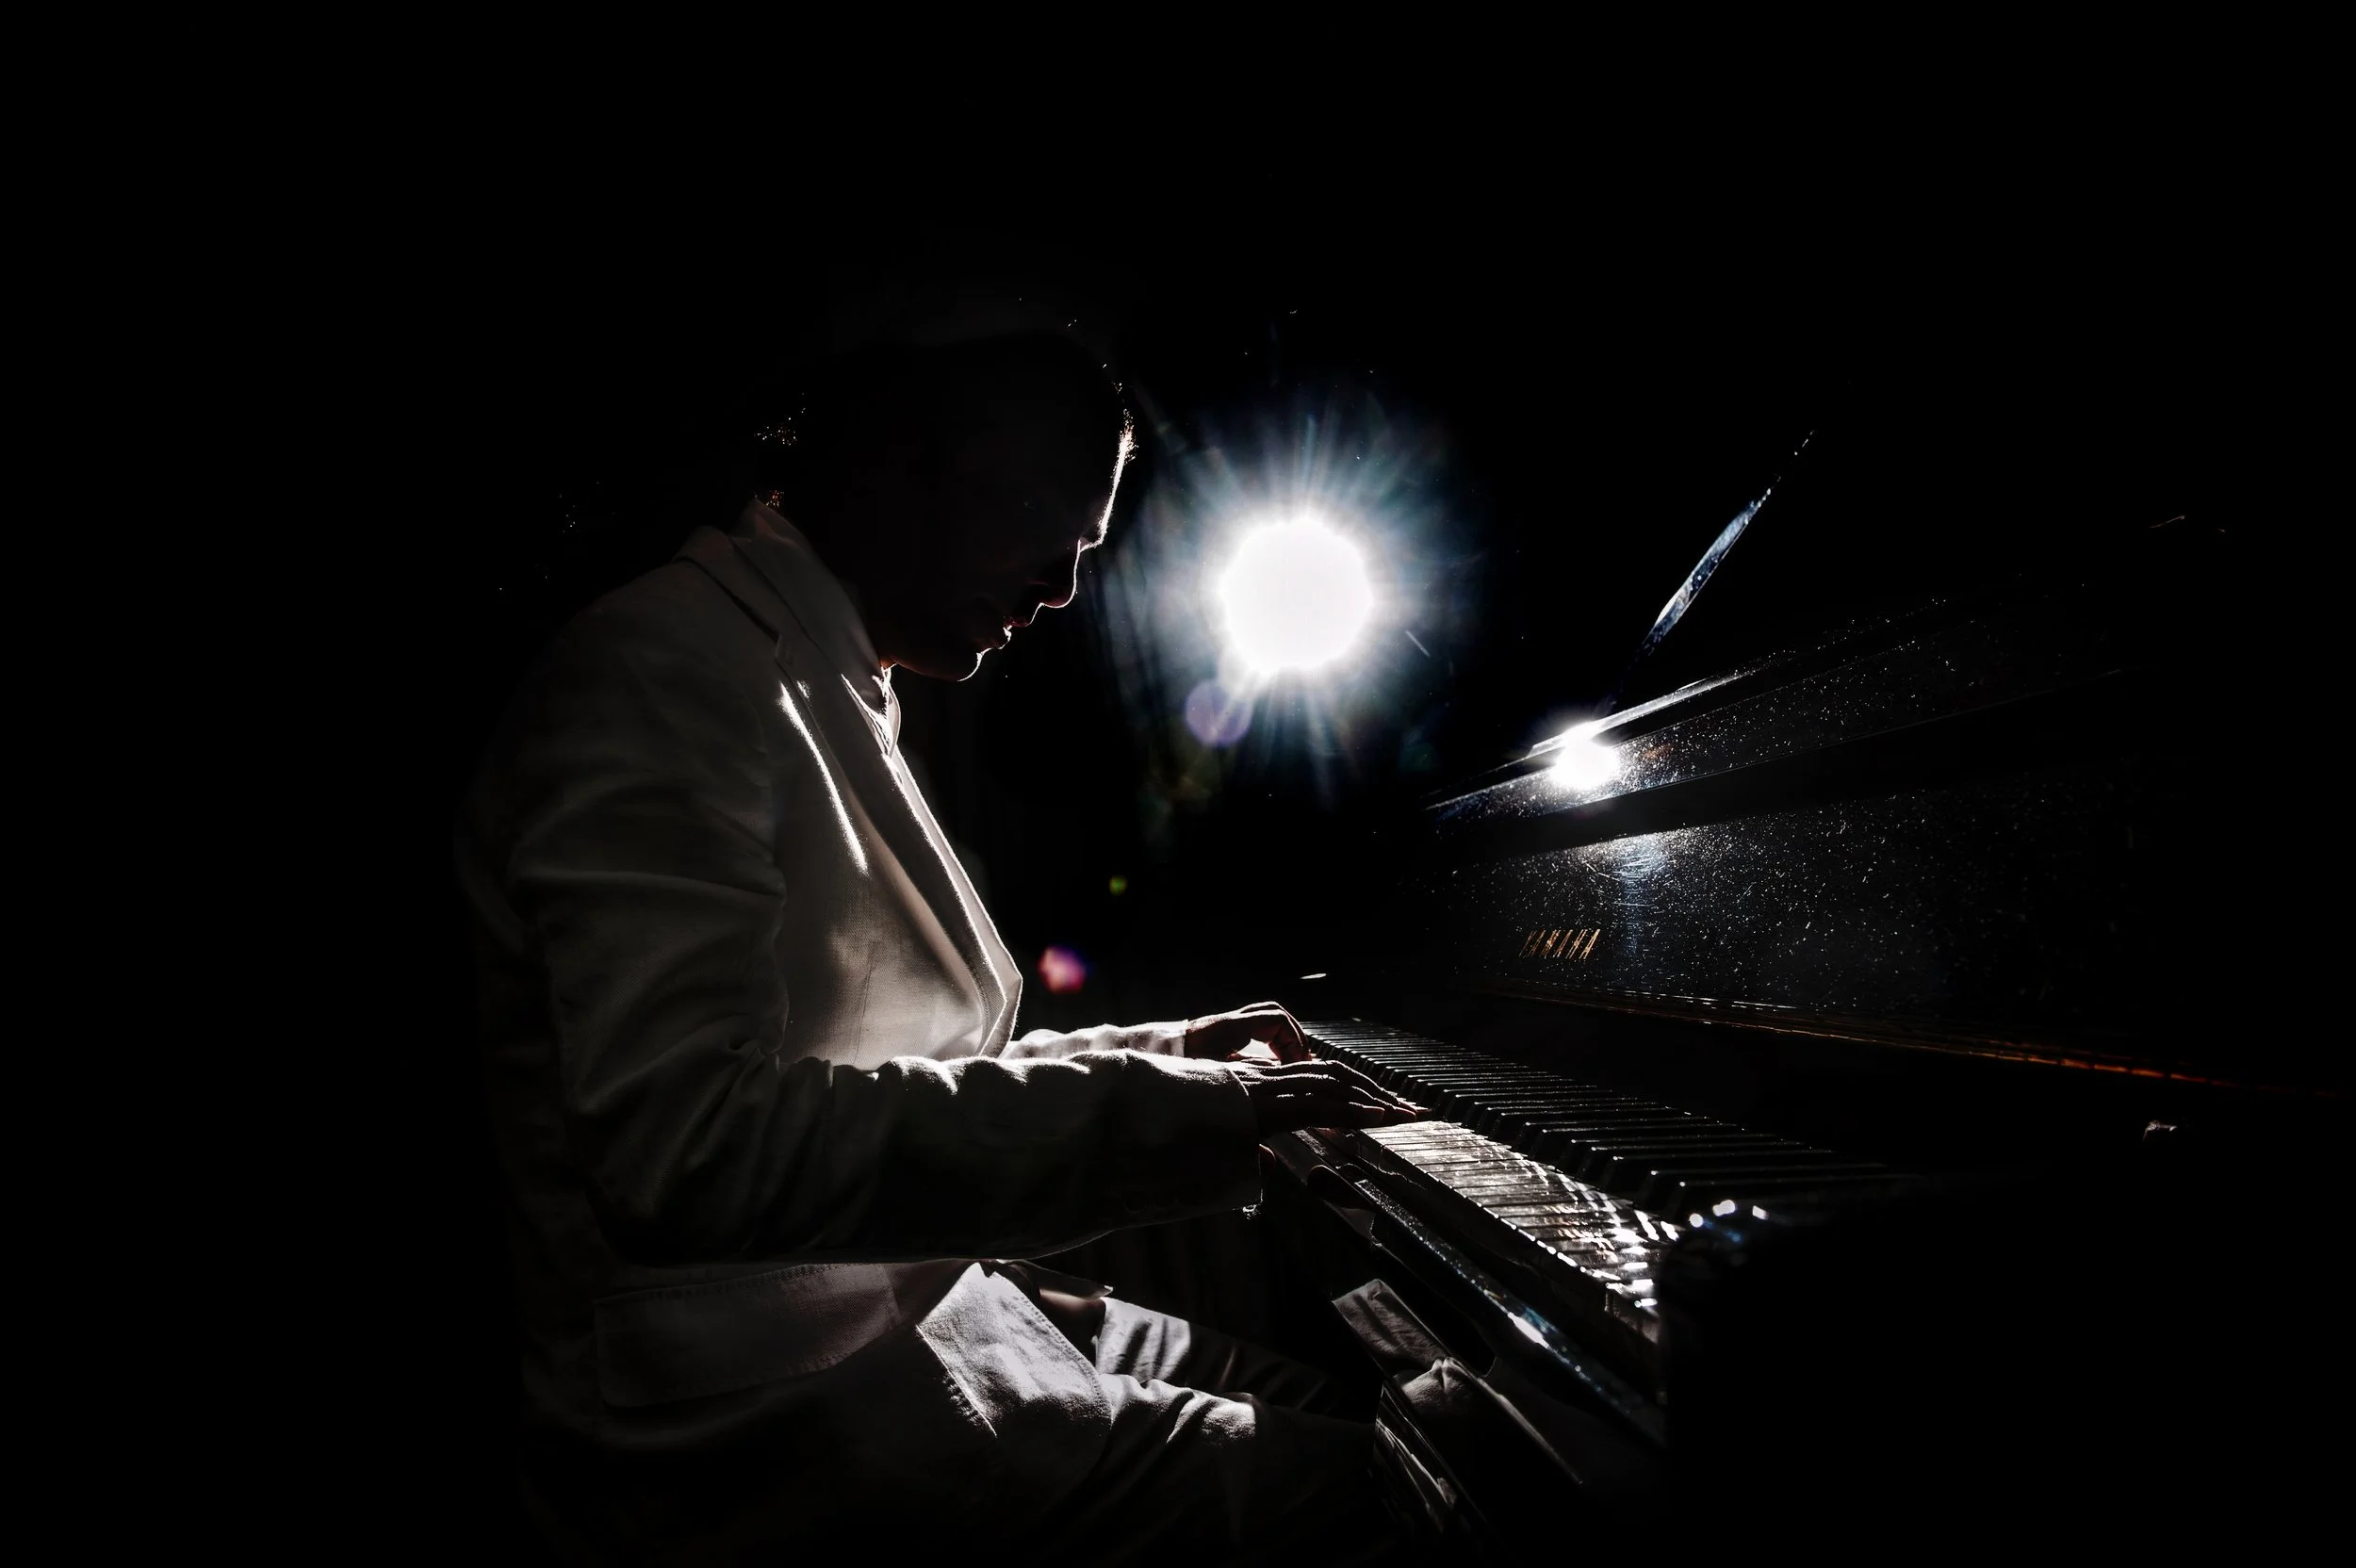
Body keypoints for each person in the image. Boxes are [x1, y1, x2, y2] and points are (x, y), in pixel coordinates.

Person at [457, 332, 1424, 1560]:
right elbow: (683, 1152)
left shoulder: (815, 664)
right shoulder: (664, 668)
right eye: (1059, 530)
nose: (1068, 588)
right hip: (754, 1423)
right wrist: (1178, 1110)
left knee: (1370, 1417)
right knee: (1429, 1504)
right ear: (911, 457)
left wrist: (1176, 1054)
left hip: (922, 1316)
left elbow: (889, 1066)